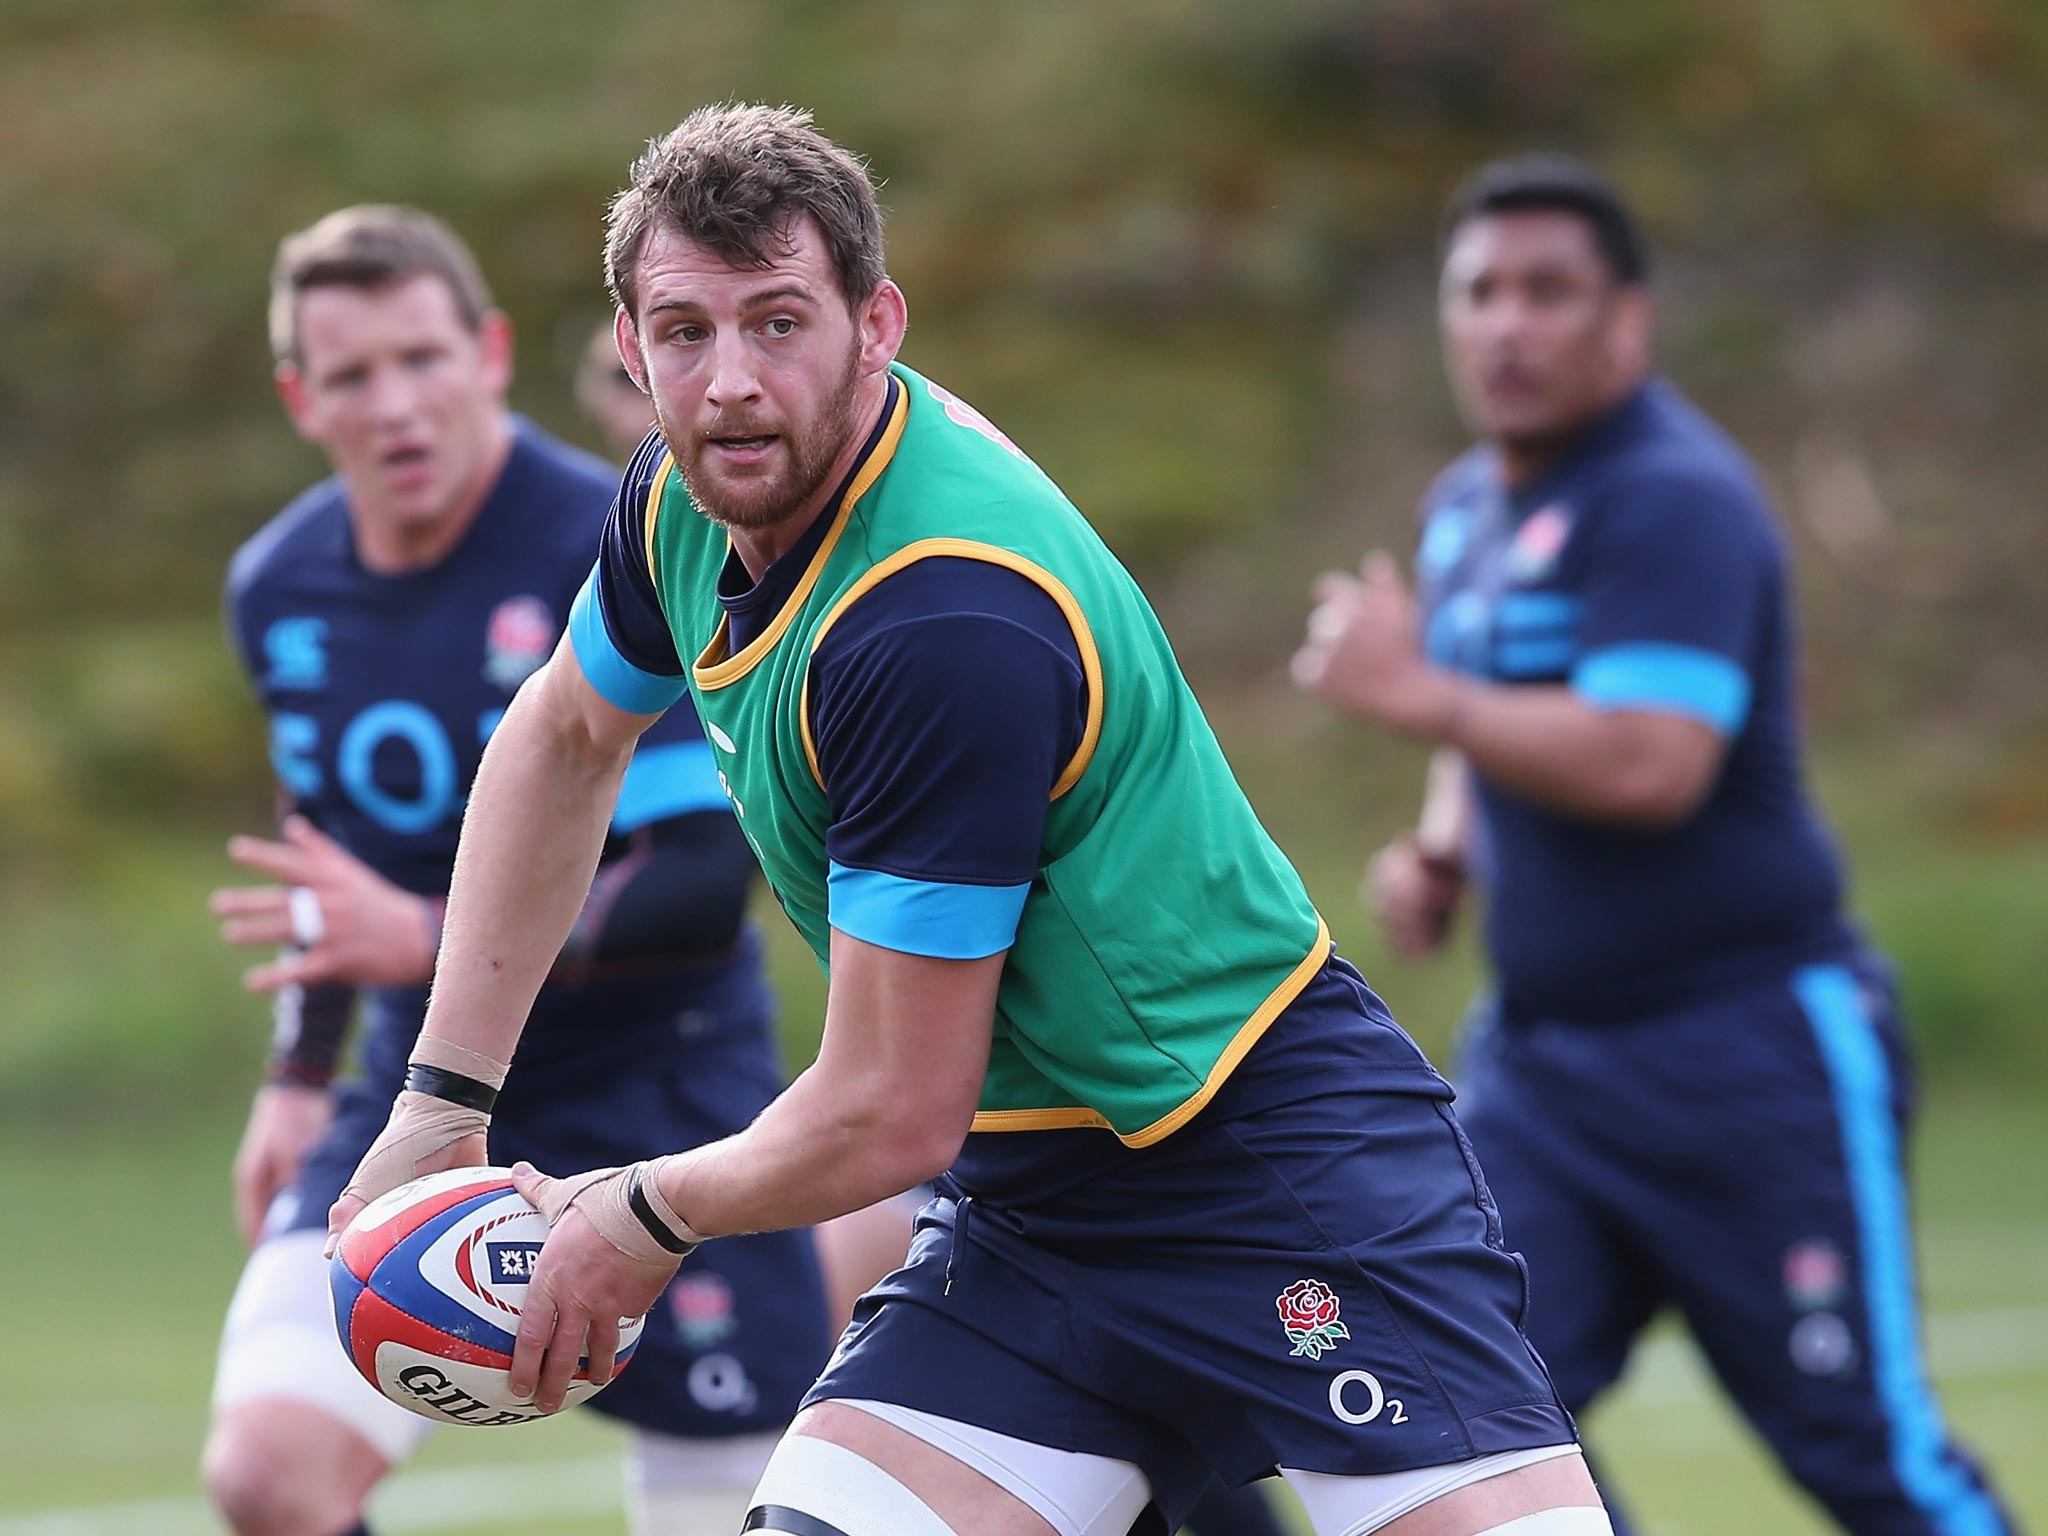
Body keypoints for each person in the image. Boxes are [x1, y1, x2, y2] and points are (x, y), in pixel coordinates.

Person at [326, 105, 1612, 1536]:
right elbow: (565, 739)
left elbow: (889, 1105)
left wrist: (635, 1217)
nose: (733, 384)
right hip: (1032, 1218)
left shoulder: (937, 619)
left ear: (877, 325)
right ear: (629, 349)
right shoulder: (683, 501)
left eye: (779, 324)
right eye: (686, 334)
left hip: (1267, 1164)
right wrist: (441, 1104)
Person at [1293, 154, 2014, 1536]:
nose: (1507, 325)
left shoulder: (1673, 496)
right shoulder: (1466, 509)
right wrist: (1446, 845)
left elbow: (1650, 762)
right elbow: (1497, 700)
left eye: (1547, 292)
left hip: (1747, 1057)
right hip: (1548, 1068)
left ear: (1628, 321)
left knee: (1868, 1457)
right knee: (1459, 1403)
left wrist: (1421, 694)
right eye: (1478, 292)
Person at [201, 204, 836, 1536]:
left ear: (487, 354)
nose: (396, 406)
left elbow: (697, 882)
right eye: (354, 375)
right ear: (299, 399)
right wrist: (298, 1076)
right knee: (268, 1476)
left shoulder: (622, 533)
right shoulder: (280, 583)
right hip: (422, 1103)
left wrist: (425, 938)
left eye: (422, 358)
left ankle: (895, 1236)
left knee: (742, 1511)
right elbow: (328, 850)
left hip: (661, 1094)